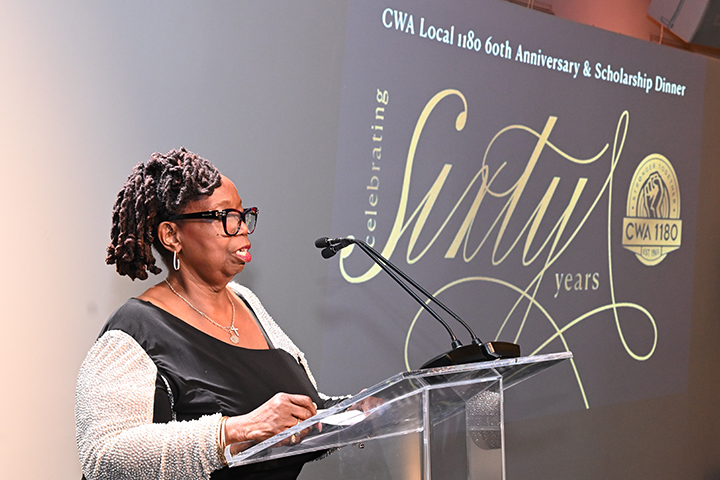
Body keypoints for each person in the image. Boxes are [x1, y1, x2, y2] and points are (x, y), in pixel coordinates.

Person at [76, 148, 337, 480]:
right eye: (225, 216)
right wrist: (232, 432)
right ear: (172, 236)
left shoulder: (246, 302)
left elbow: (295, 413)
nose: (242, 228)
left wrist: (356, 412)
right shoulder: (132, 331)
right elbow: (102, 457)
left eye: (242, 215)